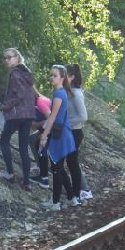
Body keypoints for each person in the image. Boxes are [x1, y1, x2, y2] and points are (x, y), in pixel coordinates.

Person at [39, 65, 81, 211]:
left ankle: (55, 203)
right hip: (63, 133)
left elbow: (52, 118)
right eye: (51, 75)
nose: (52, 78)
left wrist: (44, 137)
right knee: (59, 168)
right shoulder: (60, 92)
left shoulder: (59, 94)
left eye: (55, 75)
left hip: (60, 135)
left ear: (62, 78)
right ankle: (72, 198)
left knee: (56, 168)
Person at [0, 48, 36, 191]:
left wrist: (3, 106)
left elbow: (18, 95)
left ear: (17, 58)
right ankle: (27, 182)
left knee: (4, 141)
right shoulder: (27, 73)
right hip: (29, 114)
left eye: (9, 57)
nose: (7, 60)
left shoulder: (15, 74)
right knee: (23, 148)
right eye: (5, 58)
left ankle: (10, 173)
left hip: (17, 114)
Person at [66, 64, 92, 200]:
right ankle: (78, 192)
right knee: (71, 162)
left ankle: (78, 193)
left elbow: (83, 116)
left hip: (75, 133)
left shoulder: (76, 94)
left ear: (71, 77)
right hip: (69, 132)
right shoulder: (67, 92)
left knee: (72, 162)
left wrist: (66, 122)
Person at [28, 89, 52, 190]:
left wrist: (42, 131)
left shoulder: (40, 102)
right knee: (35, 142)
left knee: (41, 147)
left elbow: (51, 118)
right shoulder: (36, 103)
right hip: (49, 127)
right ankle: (42, 171)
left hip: (54, 128)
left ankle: (44, 179)